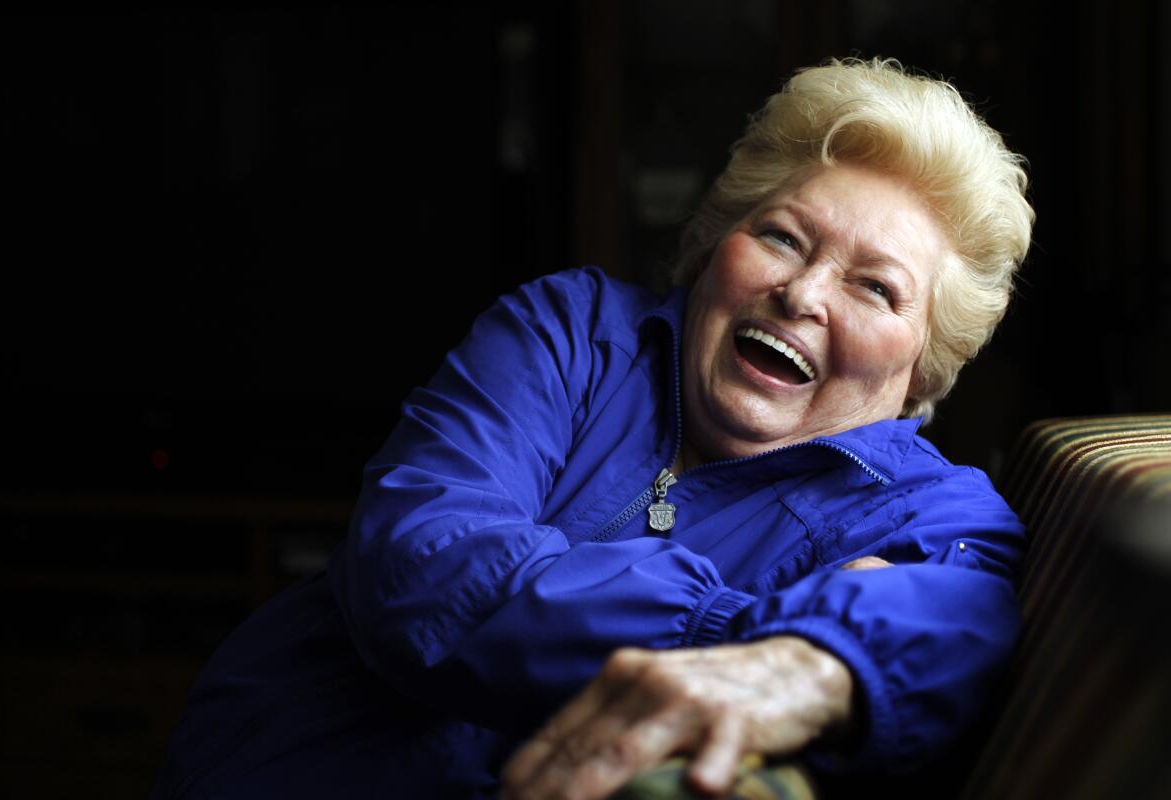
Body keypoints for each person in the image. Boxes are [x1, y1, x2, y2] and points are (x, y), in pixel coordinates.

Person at [152, 57, 1034, 800]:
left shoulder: (934, 514)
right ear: (713, 245)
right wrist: (747, 636)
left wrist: (822, 664)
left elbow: (958, 623)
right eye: (783, 237)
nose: (801, 295)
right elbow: (419, 558)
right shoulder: (570, 333)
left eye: (875, 287)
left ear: (924, 361)